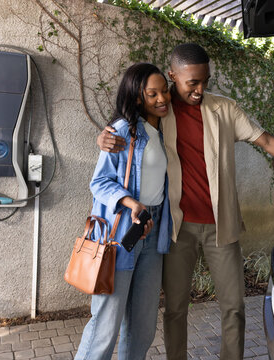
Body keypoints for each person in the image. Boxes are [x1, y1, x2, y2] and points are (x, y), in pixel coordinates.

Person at [97, 44, 274, 359]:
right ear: (173, 75)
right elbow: (126, 125)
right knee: (175, 308)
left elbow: (267, 140)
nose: (199, 89)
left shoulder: (225, 110)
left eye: (205, 80)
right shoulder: (160, 111)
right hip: (177, 228)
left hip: (222, 225)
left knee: (234, 306)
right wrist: (103, 135)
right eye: (192, 83)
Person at [75, 62, 172, 360]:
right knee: (106, 323)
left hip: (153, 233)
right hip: (121, 234)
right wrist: (131, 203)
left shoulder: (167, 129)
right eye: (152, 93)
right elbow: (99, 182)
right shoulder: (123, 131)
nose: (162, 99)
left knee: (142, 327)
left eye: (165, 91)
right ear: (137, 96)